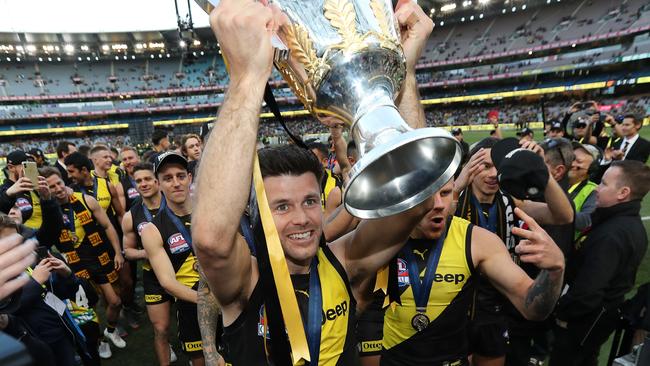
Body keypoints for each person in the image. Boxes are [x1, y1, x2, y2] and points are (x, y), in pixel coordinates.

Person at [194, 1, 451, 365]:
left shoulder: (346, 262)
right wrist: (247, 80)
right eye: (281, 206)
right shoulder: (246, 280)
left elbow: (419, 198)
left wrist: (404, 74)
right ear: (258, 215)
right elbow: (212, 243)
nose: (301, 218)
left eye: (310, 202)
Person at [549, 161, 650, 366]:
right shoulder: (620, 223)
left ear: (623, 193)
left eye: (603, 184)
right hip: (597, 319)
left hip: (585, 322)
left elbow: (589, 291)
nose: (597, 189)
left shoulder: (612, 234)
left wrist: (563, 313)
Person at [41, 167, 127, 354]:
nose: (57, 188)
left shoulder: (86, 200)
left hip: (98, 259)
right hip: (73, 266)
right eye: (52, 186)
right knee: (88, 310)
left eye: (59, 183)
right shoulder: (47, 211)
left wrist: (118, 252)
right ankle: (99, 341)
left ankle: (109, 331)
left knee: (115, 301)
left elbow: (107, 226)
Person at [141, 152, 204, 366]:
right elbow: (167, 283)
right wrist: (208, 302)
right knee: (200, 360)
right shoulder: (152, 230)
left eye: (180, 176)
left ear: (190, 178)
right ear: (159, 184)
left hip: (227, 296)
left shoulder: (211, 213)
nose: (176, 183)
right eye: (168, 178)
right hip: (191, 304)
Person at [121, 162, 177, 365]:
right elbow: (127, 250)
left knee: (197, 323)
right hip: (153, 276)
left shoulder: (177, 204)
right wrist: (150, 251)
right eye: (138, 181)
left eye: (147, 179)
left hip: (185, 272)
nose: (143, 184)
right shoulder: (130, 217)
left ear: (157, 181)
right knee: (160, 329)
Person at [0, 150, 43, 230]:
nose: (29, 169)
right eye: (24, 165)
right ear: (11, 167)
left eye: (30, 165)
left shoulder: (32, 189)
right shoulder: (4, 191)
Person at [568, 142, 599, 233]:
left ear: (591, 168)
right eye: (571, 158)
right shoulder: (556, 181)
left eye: (579, 161)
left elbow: (585, 222)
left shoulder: (593, 191)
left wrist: (556, 209)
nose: (572, 164)